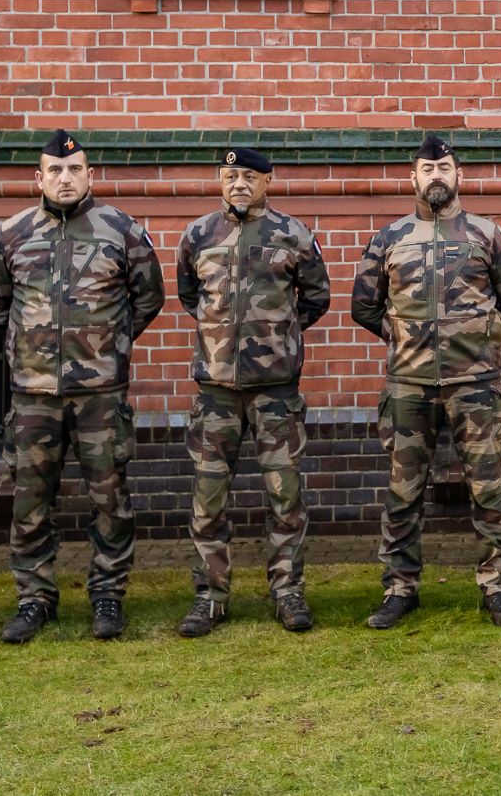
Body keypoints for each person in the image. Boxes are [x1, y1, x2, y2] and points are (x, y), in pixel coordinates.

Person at [0, 130, 165, 642]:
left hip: (100, 396)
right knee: (30, 503)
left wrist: (106, 345)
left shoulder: (121, 230)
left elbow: (148, 298)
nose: (66, 179)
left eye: (75, 169)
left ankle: (107, 594)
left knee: (110, 501)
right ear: (38, 178)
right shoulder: (12, 234)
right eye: (56, 171)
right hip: (33, 396)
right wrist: (33, 348)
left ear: (90, 174)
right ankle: (35, 599)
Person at [351, 136, 501, 629]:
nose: (437, 175)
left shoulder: (487, 235)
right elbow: (363, 305)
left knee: (489, 489)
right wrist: (404, 338)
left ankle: (497, 587)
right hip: (408, 388)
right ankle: (399, 588)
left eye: (445, 168)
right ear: (412, 177)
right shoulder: (390, 238)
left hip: (476, 386)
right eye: (428, 168)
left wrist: (481, 336)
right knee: (403, 493)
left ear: (459, 176)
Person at [174, 147, 331, 636]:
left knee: (285, 497)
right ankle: (211, 596)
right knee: (208, 500)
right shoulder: (199, 235)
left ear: (268, 180)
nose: (239, 184)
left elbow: (317, 297)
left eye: (248, 176)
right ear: (220, 181)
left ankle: (287, 592)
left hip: (276, 392)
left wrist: (278, 338)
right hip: (216, 391)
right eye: (230, 176)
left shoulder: (293, 234)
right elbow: (189, 295)